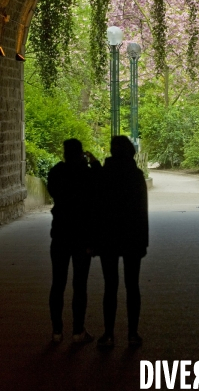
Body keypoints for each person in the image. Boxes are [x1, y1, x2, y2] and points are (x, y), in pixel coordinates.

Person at [95, 135, 148, 348]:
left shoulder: (104, 176)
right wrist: (143, 242)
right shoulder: (136, 176)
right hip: (132, 238)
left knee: (110, 287)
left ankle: (108, 334)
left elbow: (96, 211)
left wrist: (94, 239)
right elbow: (141, 211)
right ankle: (132, 334)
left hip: (108, 238)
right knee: (132, 286)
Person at [47, 138, 101, 344]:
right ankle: (78, 330)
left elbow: (53, 191)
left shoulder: (56, 173)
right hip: (82, 237)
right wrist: (93, 161)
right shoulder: (87, 174)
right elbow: (100, 185)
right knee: (80, 285)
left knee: (57, 283)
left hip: (60, 234)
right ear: (81, 154)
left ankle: (57, 330)